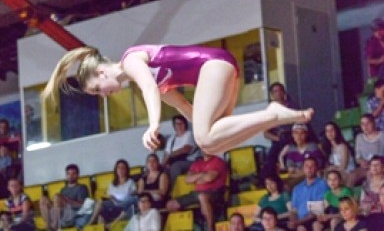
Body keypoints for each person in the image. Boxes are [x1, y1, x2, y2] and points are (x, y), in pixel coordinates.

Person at [42, 45, 313, 154]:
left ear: (101, 72)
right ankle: (271, 119)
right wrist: (201, 130)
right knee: (211, 144)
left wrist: (152, 125)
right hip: (221, 68)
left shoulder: (130, 61)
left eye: (96, 89)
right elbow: (185, 107)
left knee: (205, 138)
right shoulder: (144, 78)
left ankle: (273, 114)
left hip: (214, 65)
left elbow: (149, 89)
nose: (103, 95)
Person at [166, 153, 227, 231]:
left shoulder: (218, 161)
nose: (205, 150)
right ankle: (190, 225)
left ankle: (210, 228)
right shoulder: (197, 164)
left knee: (202, 197)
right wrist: (202, 174)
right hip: (196, 193)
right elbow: (188, 179)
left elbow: (209, 178)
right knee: (170, 205)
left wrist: (196, 178)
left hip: (215, 192)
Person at [39, 164, 91, 230]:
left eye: (73, 173)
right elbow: (59, 204)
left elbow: (83, 205)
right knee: (43, 199)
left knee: (57, 196)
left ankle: (56, 226)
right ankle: (48, 226)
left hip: (73, 214)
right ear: (66, 176)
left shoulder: (82, 187)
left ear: (78, 175)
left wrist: (65, 199)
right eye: (68, 174)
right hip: (62, 213)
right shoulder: (64, 189)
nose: (71, 176)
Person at [262, 82, 298, 177]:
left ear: (284, 92)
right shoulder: (270, 111)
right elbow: (265, 133)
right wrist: (278, 138)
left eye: (280, 90)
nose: (278, 93)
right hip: (278, 140)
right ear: (272, 95)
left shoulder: (292, 107)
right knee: (269, 162)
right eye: (275, 91)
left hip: (294, 138)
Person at [88, 159, 137, 226]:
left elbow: (132, 197)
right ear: (116, 170)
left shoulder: (130, 182)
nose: (120, 170)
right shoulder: (112, 184)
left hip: (124, 206)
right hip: (113, 205)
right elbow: (109, 196)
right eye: (118, 167)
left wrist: (118, 200)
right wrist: (112, 198)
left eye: (123, 168)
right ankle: (91, 222)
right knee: (100, 206)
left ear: (126, 170)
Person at [288, 157, 329, 231]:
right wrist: (293, 221)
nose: (309, 169)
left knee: (315, 225)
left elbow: (316, 211)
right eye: (306, 166)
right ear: (303, 169)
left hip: (316, 219)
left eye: (312, 166)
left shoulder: (322, 184)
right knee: (300, 228)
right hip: (300, 221)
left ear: (316, 168)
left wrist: (298, 222)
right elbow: (294, 210)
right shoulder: (297, 188)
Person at [162, 115, 200, 187]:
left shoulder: (189, 134)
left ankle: (174, 190)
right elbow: (166, 154)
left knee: (175, 166)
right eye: (177, 124)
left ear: (185, 124)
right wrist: (161, 165)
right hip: (173, 161)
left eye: (181, 123)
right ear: (174, 126)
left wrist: (171, 156)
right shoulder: (171, 139)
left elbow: (185, 149)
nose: (179, 125)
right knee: (161, 171)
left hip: (190, 161)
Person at [348, 114, 384, 186]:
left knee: (370, 175)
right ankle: (347, 196)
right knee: (352, 176)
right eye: (363, 124)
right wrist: (361, 161)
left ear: (373, 123)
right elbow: (357, 156)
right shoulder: (359, 137)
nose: (365, 126)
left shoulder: (382, 136)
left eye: (368, 123)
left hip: (379, 166)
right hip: (365, 167)